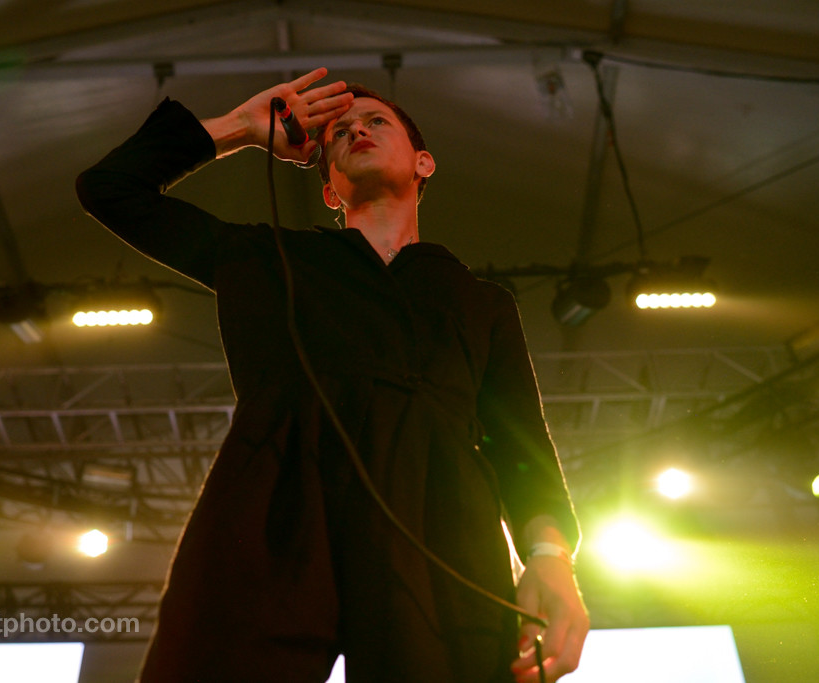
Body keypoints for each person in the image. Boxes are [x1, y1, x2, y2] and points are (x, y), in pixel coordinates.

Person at [76, 67, 588, 683]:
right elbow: (110, 189)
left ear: (423, 163)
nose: (357, 130)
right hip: (281, 499)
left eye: (377, 122)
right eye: (339, 131)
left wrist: (551, 557)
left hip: (441, 513)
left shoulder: (480, 301)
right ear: (329, 191)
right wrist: (241, 128)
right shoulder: (269, 259)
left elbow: (521, 446)